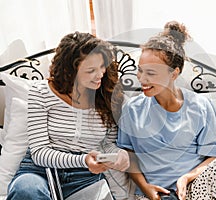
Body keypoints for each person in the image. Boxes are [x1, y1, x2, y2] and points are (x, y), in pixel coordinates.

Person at [117, 21, 216, 200]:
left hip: (195, 189)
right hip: (155, 194)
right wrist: (146, 188)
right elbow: (127, 154)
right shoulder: (132, 110)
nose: (142, 79)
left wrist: (187, 178)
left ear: (174, 74)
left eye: (151, 73)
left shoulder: (201, 106)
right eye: (140, 71)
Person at [6, 32, 129, 200]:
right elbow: (39, 152)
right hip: (39, 172)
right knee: (26, 191)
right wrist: (83, 160)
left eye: (102, 66)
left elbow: (107, 144)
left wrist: (119, 155)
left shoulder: (106, 95)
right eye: (91, 70)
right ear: (70, 71)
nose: (100, 74)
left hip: (85, 176)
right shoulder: (40, 92)